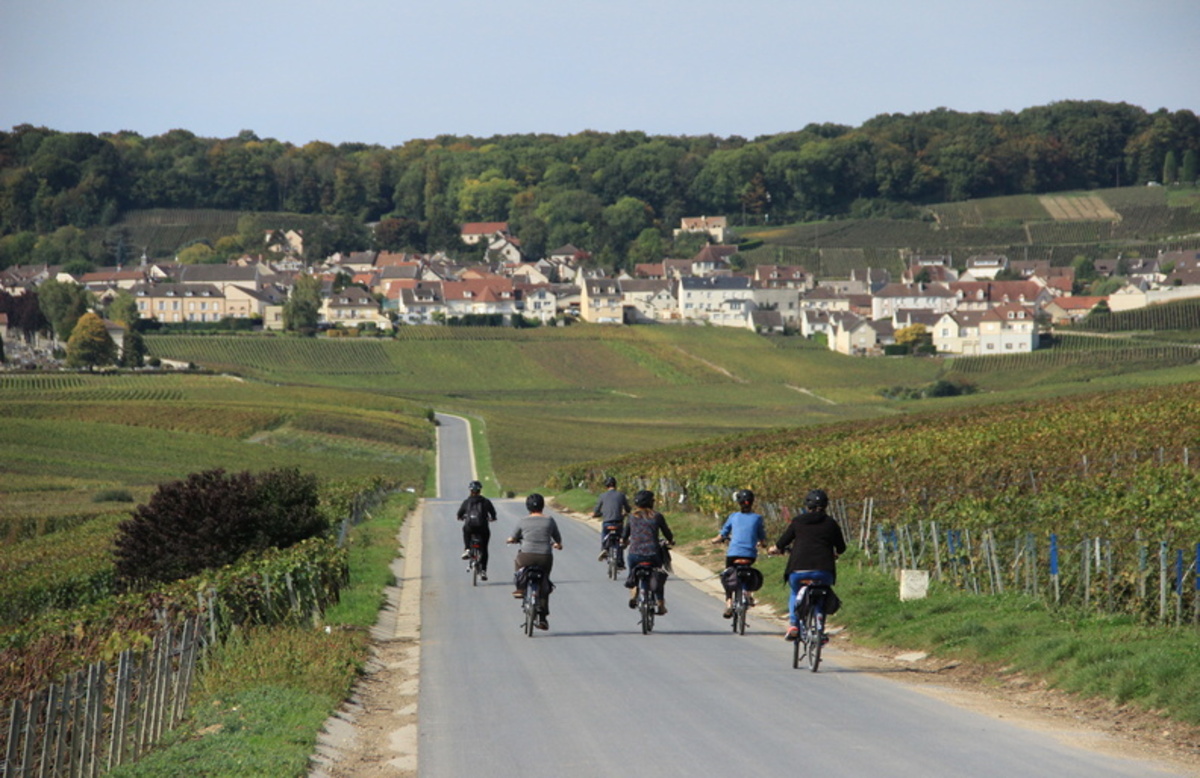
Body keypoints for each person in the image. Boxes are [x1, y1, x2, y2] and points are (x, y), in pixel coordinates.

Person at [770, 488, 846, 641]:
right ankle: (819, 626)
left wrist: (775, 549)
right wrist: (835, 552)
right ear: (826, 505)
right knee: (823, 593)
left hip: (798, 570)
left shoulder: (798, 521)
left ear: (807, 506)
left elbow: (782, 542)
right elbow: (841, 547)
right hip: (823, 571)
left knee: (795, 591)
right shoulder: (831, 523)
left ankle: (793, 624)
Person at [507, 493, 562, 630]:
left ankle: (520, 588)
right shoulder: (549, 520)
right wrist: (558, 545)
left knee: (518, 562)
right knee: (544, 583)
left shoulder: (523, 521)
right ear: (543, 505)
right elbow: (557, 538)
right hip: (545, 557)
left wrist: (511, 540)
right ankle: (542, 618)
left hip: (526, 556)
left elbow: (513, 536)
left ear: (528, 506)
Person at [711, 489, 767, 618]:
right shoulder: (757, 518)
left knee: (728, 575)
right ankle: (747, 593)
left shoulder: (733, 516)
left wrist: (715, 540)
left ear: (738, 503)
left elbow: (723, 533)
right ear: (752, 502)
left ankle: (729, 602)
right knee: (748, 571)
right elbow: (762, 536)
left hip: (733, 554)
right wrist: (763, 544)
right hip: (750, 555)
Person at [622, 489, 673, 615]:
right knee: (657, 576)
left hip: (635, 554)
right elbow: (667, 533)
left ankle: (634, 591)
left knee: (633, 571)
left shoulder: (631, 517)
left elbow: (624, 535)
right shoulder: (657, 516)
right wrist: (671, 541)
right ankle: (660, 603)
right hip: (653, 554)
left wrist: (624, 541)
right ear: (651, 502)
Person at [457, 480, 497, 580]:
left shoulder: (466, 502)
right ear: (480, 490)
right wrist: (492, 518)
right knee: (484, 548)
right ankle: (483, 570)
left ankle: (467, 549)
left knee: (465, 530)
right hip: (483, 528)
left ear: (470, 490)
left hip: (470, 527)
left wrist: (461, 517)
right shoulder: (486, 502)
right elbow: (493, 514)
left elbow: (459, 514)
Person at [593, 476, 631, 569]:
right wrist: (625, 513)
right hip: (618, 523)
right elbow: (628, 509)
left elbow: (596, 510)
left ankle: (604, 548)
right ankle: (620, 562)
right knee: (620, 541)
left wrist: (597, 514)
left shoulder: (602, 496)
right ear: (615, 485)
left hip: (607, 523)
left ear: (606, 486)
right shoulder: (621, 495)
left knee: (604, 534)